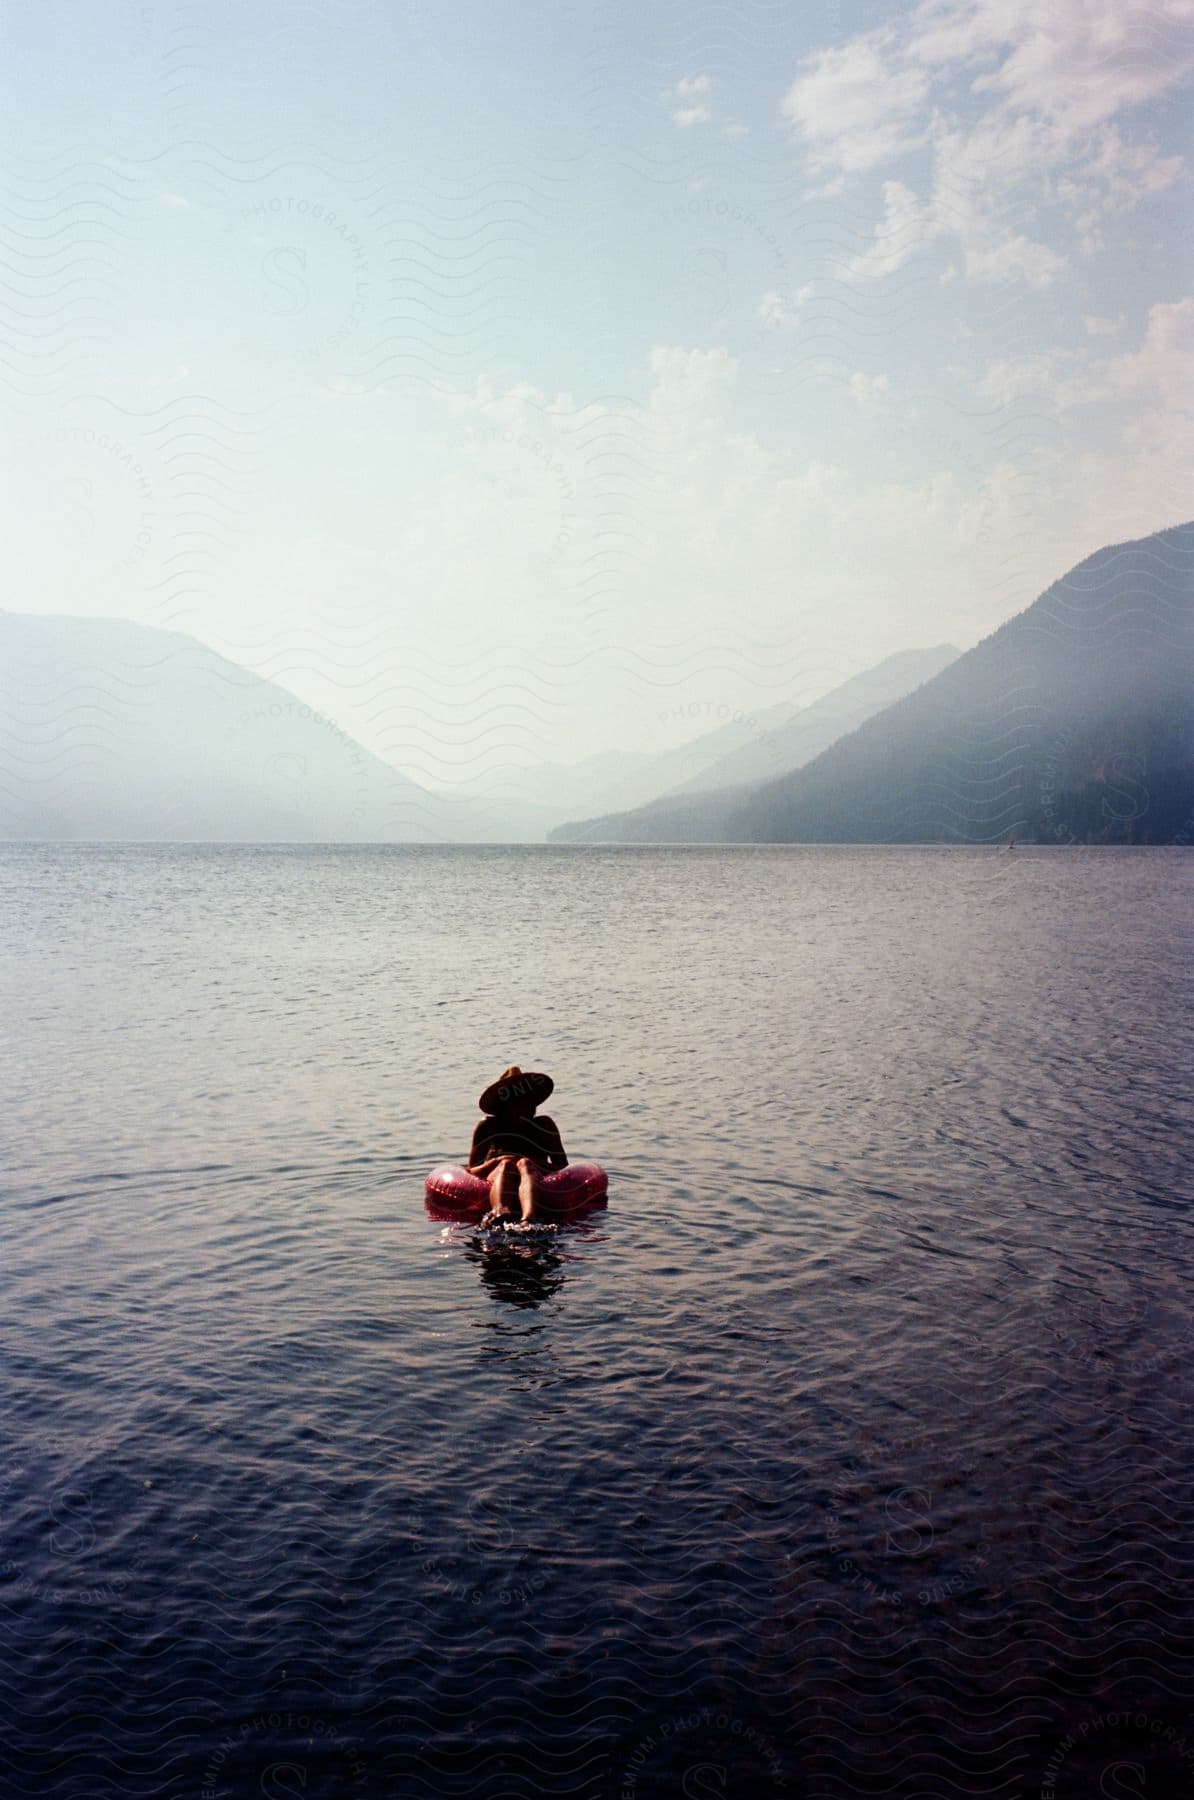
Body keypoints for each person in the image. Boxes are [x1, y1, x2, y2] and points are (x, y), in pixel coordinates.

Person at [468, 1066, 568, 1225]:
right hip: (498, 1173)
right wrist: (497, 1161)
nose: (522, 1108)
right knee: (506, 1164)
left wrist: (527, 1162)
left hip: (534, 1173)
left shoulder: (544, 1125)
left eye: (526, 1103)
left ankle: (528, 1218)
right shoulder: (488, 1126)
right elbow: (472, 1171)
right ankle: (500, 1211)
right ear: (503, 1106)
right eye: (515, 1104)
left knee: (524, 1163)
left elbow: (562, 1168)